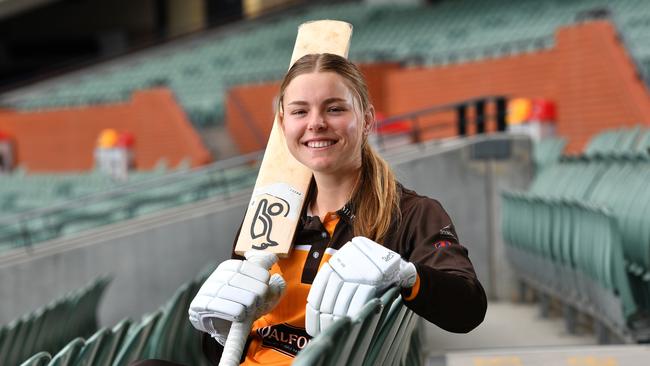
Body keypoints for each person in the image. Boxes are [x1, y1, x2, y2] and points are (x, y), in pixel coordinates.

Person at [136, 53, 487, 366]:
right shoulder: (269, 214)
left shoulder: (411, 213)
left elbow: (468, 309)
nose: (315, 123)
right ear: (283, 124)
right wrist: (223, 331)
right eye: (300, 111)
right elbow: (223, 354)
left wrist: (407, 275)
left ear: (366, 120)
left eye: (334, 109)